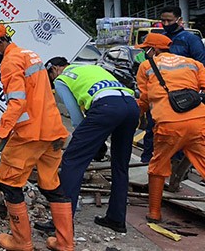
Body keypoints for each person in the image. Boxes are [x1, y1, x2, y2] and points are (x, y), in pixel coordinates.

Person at [0, 23, 74, 251]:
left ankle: (21, 242)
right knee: (51, 185)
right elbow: (34, 97)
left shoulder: (10, 62)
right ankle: (65, 243)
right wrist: (4, 121)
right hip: (52, 131)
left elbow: (18, 102)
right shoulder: (29, 55)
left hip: (31, 134)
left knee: (8, 182)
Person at [45, 57, 139, 233]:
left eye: (50, 75)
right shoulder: (91, 68)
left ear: (56, 69)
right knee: (120, 165)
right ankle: (116, 219)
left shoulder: (62, 79)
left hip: (106, 106)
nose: (51, 80)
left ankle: (62, 223)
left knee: (72, 161)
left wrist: (88, 142)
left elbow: (76, 116)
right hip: (131, 106)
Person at [135, 33, 205, 222]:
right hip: (198, 120)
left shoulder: (146, 66)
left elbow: (144, 98)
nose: (144, 53)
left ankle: (154, 213)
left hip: (168, 123)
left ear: (154, 49)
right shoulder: (192, 63)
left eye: (146, 49)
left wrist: (134, 113)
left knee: (158, 166)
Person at [141, 6, 205, 186]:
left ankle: (168, 178)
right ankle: (167, 173)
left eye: (169, 20)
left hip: (182, 100)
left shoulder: (190, 40)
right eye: (163, 20)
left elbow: (201, 65)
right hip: (169, 103)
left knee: (163, 155)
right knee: (157, 137)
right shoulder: (161, 38)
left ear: (179, 20)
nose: (166, 23)